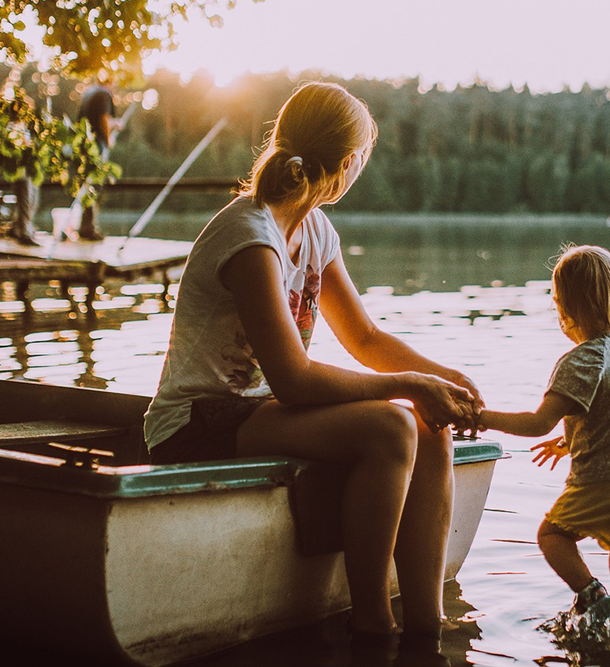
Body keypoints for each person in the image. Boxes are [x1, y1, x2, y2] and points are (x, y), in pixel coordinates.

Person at [143, 82, 483, 641]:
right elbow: (295, 380)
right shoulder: (251, 237)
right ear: (349, 163)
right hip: (194, 424)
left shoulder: (315, 229)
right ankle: (372, 623)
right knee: (394, 425)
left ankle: (427, 626)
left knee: (430, 426)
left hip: (259, 412)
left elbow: (365, 337)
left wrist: (442, 379)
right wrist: (409, 385)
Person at [474, 245, 610, 645]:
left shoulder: (581, 360)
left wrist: (481, 418)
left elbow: (536, 423)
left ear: (564, 308)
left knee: (552, 536)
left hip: (609, 481)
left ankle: (591, 593)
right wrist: (568, 443)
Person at [77, 79, 118, 240]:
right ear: (111, 83)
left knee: (87, 185)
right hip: (96, 146)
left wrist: (114, 124)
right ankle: (88, 228)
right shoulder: (104, 94)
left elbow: (96, 119)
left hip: (83, 144)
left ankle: (85, 226)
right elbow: (103, 119)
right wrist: (108, 141)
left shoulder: (89, 92)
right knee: (94, 186)